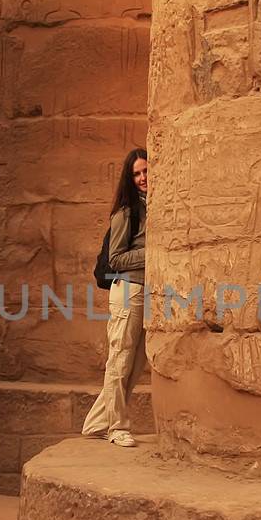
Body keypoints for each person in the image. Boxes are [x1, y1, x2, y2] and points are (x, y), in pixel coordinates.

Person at [82, 148, 148, 447]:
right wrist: (154, 253)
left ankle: (97, 422)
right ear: (129, 178)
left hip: (148, 291)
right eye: (137, 173)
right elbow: (116, 258)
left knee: (135, 363)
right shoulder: (126, 213)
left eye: (146, 171)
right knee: (120, 359)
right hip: (128, 291)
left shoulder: (152, 207)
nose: (143, 178)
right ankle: (116, 427)